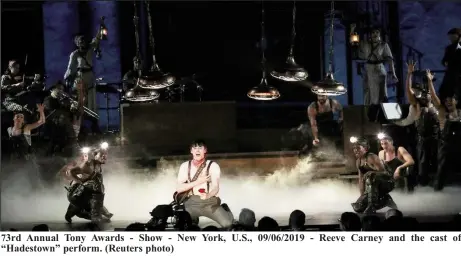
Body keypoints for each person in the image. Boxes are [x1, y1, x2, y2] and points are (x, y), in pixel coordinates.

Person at [395, 61, 441, 186]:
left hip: (436, 138)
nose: (425, 97)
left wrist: (430, 81)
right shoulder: (416, 106)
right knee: (423, 163)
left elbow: (434, 95)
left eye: (427, 95)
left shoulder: (434, 105)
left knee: (438, 161)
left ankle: (438, 184)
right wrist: (409, 74)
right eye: (423, 95)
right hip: (422, 139)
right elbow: (408, 91)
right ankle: (423, 185)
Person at [175, 140, 233, 228]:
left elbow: (216, 187)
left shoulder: (213, 165)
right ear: (191, 151)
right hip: (191, 202)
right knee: (182, 226)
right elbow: (179, 188)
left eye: (200, 148)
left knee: (227, 224)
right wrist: (199, 181)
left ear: (205, 150)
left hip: (210, 203)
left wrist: (208, 195)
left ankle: (226, 210)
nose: (197, 151)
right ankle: (194, 219)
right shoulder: (185, 166)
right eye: (195, 148)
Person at [61, 145, 113, 223]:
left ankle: (73, 211)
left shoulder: (98, 166)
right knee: (95, 185)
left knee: (97, 187)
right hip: (76, 194)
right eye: (101, 155)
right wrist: (79, 181)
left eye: (105, 155)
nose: (104, 156)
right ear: (95, 156)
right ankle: (77, 211)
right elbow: (72, 171)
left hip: (83, 194)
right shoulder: (88, 164)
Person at [351, 25, 398, 105]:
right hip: (368, 70)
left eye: (377, 32)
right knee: (368, 92)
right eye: (373, 32)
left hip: (379, 70)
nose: (375, 34)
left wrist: (393, 74)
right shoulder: (365, 44)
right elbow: (354, 43)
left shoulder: (383, 45)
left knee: (381, 94)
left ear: (379, 34)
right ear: (370, 34)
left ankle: (380, 110)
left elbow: (390, 60)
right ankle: (369, 110)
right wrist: (352, 31)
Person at [64, 34, 101, 134]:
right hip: (80, 78)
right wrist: (67, 78)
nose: (82, 43)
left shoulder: (90, 49)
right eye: (80, 41)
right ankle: (80, 127)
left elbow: (96, 39)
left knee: (92, 102)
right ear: (77, 43)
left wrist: (101, 28)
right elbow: (70, 68)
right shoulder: (75, 54)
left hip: (90, 77)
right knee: (81, 103)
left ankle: (94, 125)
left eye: (83, 40)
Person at [351, 138, 397, 214]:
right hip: (373, 186)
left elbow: (386, 173)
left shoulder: (371, 157)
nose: (355, 150)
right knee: (358, 207)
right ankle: (385, 200)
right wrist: (362, 196)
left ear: (365, 149)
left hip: (388, 182)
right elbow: (361, 179)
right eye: (354, 148)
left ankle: (372, 205)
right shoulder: (358, 162)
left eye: (358, 148)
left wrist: (372, 172)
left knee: (371, 176)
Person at [6, 105, 45, 188]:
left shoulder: (26, 128)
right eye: (17, 116)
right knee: (13, 176)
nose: (19, 118)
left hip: (27, 158)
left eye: (21, 117)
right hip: (15, 158)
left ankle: (37, 192)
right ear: (14, 118)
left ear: (23, 120)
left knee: (33, 178)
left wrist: (41, 111)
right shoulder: (9, 129)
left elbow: (41, 121)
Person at [43, 82, 80, 158]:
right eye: (59, 89)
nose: (61, 91)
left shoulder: (61, 100)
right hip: (51, 122)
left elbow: (69, 112)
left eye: (62, 90)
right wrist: (64, 103)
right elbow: (52, 108)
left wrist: (72, 107)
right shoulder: (48, 99)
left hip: (61, 123)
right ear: (52, 90)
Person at [434, 93, 461, 191]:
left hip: (459, 145)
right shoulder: (443, 114)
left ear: (456, 101)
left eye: (450, 99)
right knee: (441, 169)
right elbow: (435, 99)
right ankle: (437, 192)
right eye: (446, 101)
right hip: (446, 147)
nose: (448, 102)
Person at [440, 28, 461, 102]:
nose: (450, 38)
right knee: (444, 93)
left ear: (457, 35)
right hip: (450, 75)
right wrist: (445, 62)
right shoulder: (449, 48)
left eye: (452, 36)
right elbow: (444, 60)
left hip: (459, 75)